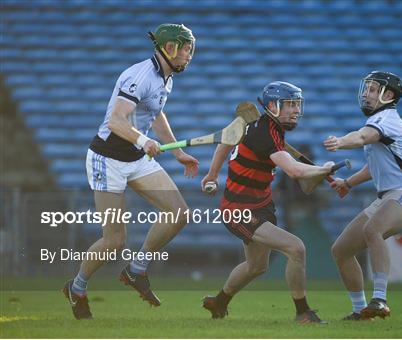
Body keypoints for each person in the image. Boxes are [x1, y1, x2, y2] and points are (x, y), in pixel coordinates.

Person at [62, 23, 199, 319]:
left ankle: (136, 270)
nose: (190, 55)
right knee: (114, 241)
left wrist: (176, 152)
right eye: (186, 49)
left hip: (136, 158)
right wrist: (143, 139)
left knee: (179, 213)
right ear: (170, 48)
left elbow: (156, 112)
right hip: (107, 158)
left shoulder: (166, 79)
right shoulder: (139, 75)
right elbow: (115, 121)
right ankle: (77, 286)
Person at [201, 81, 334, 324]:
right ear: (272, 106)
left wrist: (212, 174)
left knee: (257, 266)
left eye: (297, 105)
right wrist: (324, 170)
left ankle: (219, 302)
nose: (295, 110)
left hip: (261, 205)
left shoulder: (268, 129)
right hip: (238, 210)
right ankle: (303, 313)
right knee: (296, 248)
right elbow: (294, 171)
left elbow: (226, 140)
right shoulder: (264, 133)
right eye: (290, 105)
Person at [323, 71, 402, 321]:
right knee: (341, 250)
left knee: (373, 230)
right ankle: (361, 311)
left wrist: (340, 142)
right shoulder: (380, 121)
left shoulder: (386, 119)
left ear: (388, 95)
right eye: (366, 88)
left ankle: (380, 299)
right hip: (388, 196)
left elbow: (361, 137)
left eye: (372, 89)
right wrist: (347, 183)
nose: (366, 94)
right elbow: (375, 167)